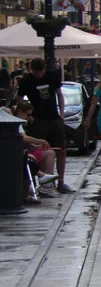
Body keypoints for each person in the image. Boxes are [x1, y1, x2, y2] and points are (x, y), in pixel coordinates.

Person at [17, 57, 71, 193]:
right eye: (37, 72)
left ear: (45, 68)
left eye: (42, 71)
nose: (40, 75)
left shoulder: (52, 76)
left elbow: (59, 94)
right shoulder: (26, 80)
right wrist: (28, 116)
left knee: (61, 149)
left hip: (54, 116)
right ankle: (41, 184)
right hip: (38, 119)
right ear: (31, 69)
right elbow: (19, 99)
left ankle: (61, 182)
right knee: (40, 150)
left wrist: (62, 114)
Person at [13, 102, 59, 190]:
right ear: (19, 111)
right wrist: (40, 141)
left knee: (49, 152)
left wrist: (34, 145)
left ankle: (45, 181)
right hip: (19, 153)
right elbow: (24, 138)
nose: (28, 117)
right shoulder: (15, 122)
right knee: (50, 154)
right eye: (27, 114)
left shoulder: (19, 123)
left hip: (22, 151)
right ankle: (46, 184)